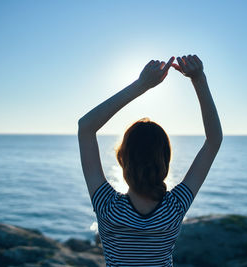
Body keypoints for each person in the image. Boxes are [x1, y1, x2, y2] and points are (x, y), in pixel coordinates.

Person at [78, 55, 222, 266]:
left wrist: (142, 85)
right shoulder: (174, 207)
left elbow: (86, 127)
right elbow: (213, 141)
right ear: (165, 160)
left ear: (122, 159)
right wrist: (198, 79)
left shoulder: (107, 206)